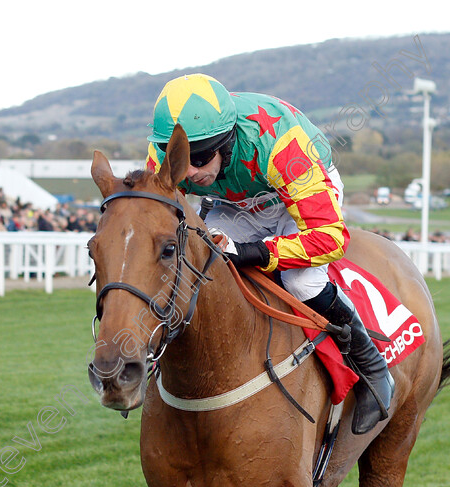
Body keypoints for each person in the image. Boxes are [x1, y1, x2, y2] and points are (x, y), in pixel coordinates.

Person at [145, 73, 393, 435]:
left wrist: (252, 252)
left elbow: (329, 239)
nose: (191, 171)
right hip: (238, 201)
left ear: (226, 143)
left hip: (296, 189)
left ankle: (372, 365)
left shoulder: (281, 145)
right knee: (201, 265)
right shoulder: (164, 152)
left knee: (301, 280)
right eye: (183, 158)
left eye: (199, 158)